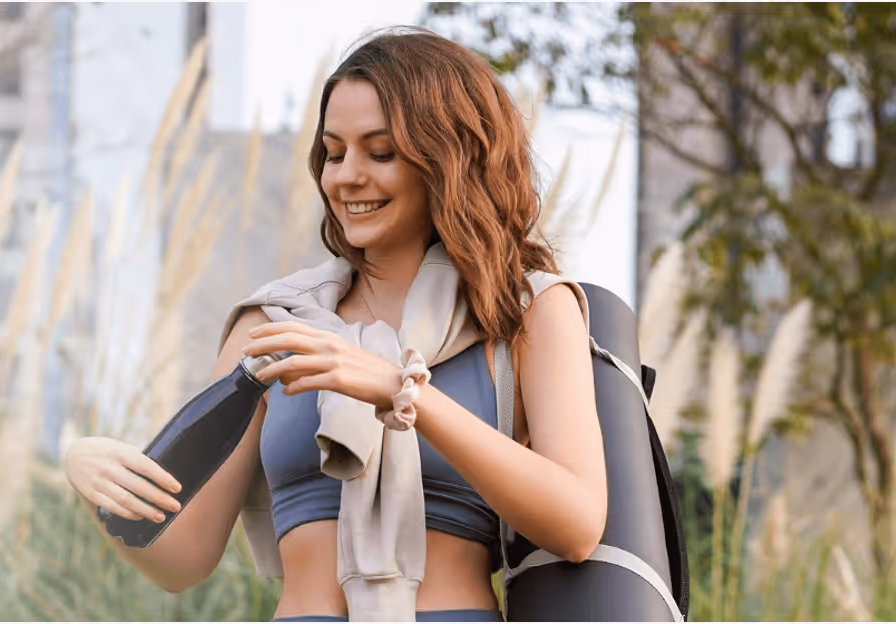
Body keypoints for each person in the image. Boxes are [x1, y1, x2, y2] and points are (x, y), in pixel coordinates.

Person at [61, 26, 608, 622]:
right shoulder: (272, 324)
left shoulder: (524, 309)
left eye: (380, 152)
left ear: (449, 159)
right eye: (334, 151)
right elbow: (185, 558)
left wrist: (400, 393)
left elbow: (577, 523)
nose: (346, 176)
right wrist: (97, 483)